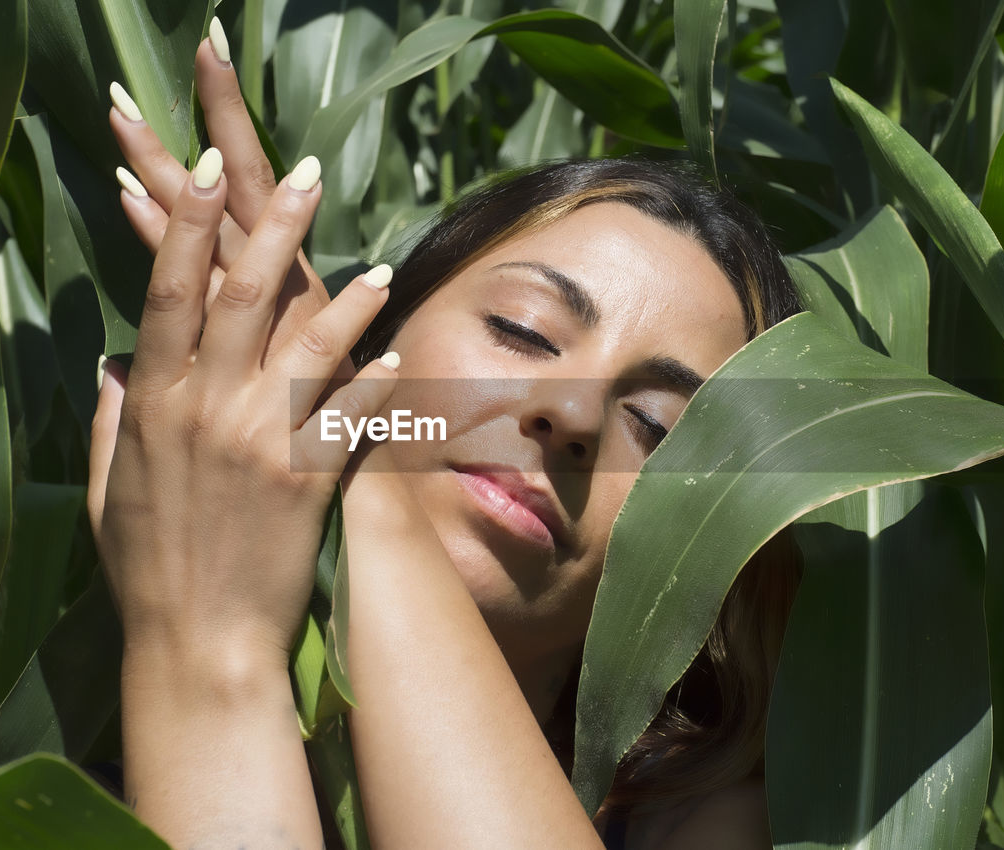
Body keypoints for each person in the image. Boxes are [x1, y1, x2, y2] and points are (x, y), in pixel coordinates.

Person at [88, 17, 801, 849]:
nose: (572, 418)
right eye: (522, 330)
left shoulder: (714, 823)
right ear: (375, 334)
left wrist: (214, 656)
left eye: (657, 428)